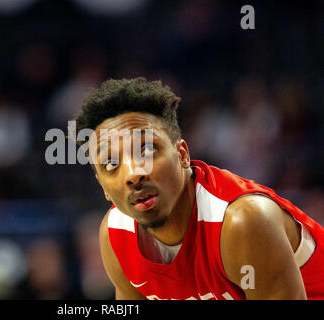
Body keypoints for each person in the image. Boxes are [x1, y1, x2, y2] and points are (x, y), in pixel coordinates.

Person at [73, 77, 324, 300]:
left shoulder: (241, 220)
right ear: (104, 188)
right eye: (111, 163)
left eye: (148, 150)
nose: (134, 174)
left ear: (182, 155)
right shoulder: (115, 234)